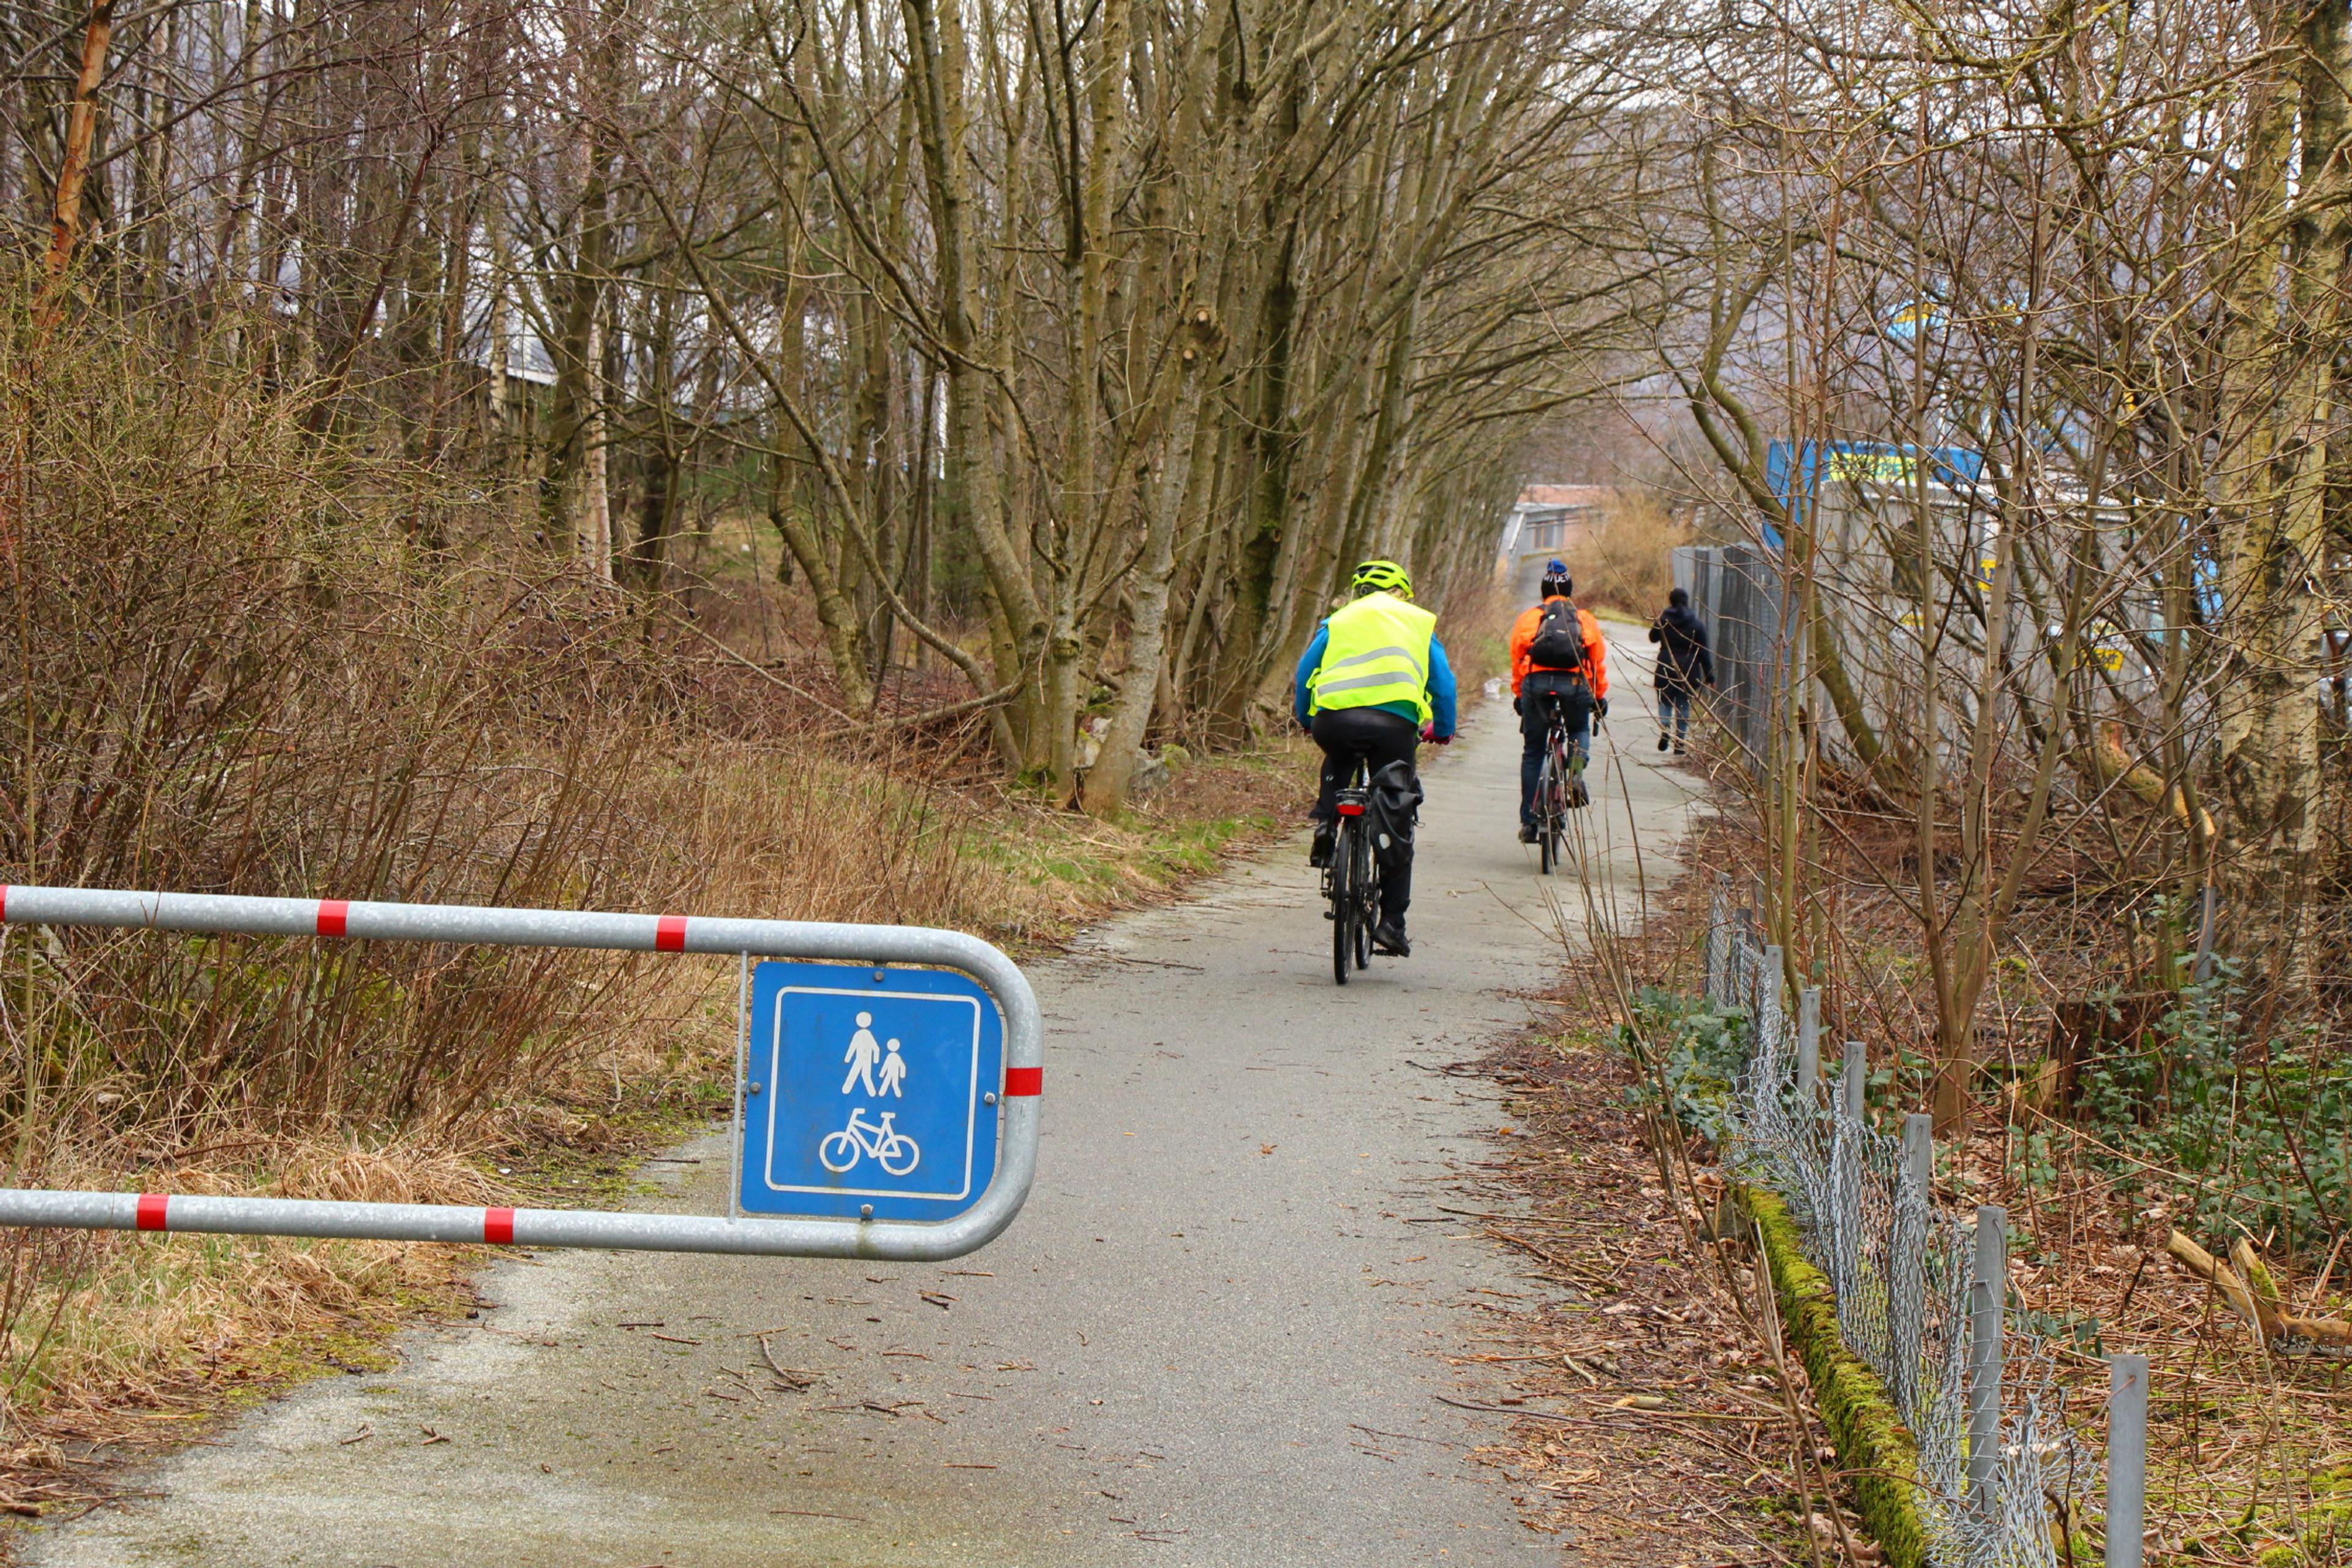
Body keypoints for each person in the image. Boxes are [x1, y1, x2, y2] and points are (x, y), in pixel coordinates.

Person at [1293, 559, 1458, 958]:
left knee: (1339, 758)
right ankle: (1391, 924)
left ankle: (1329, 824)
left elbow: (1305, 671)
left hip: (1335, 722)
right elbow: (1444, 684)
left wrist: (1306, 717)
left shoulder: (1339, 620)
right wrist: (1444, 727)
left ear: (1358, 591)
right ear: (1403, 590)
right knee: (1396, 816)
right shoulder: (1419, 623)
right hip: (1394, 727)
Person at [1507, 561, 1607, 843]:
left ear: (1543, 592)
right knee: (1578, 731)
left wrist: (1519, 693)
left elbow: (1518, 658)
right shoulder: (1584, 619)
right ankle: (1574, 772)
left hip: (1537, 685)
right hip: (1574, 685)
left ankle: (1529, 820)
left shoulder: (1531, 617)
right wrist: (1598, 697)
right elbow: (1596, 662)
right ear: (1570, 592)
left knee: (1534, 751)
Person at [1648, 586, 1714, 755]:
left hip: (1666, 665)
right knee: (1683, 704)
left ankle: (1666, 728)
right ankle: (1680, 740)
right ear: (1686, 601)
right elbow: (1704, 651)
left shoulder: (1664, 620)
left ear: (1671, 601)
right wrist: (1710, 676)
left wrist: (1659, 623)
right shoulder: (1697, 624)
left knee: (1665, 700)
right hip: (1689, 668)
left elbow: (1652, 638)